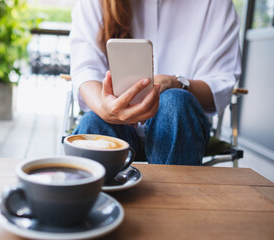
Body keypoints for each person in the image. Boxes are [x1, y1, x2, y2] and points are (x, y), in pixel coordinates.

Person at [69, 0, 242, 165]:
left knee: (174, 102)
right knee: (94, 123)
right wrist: (104, 108)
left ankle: (173, 195)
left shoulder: (215, 4)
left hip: (182, 126)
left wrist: (175, 83)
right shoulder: (95, 3)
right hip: (116, 126)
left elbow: (220, 83)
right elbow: (86, 70)